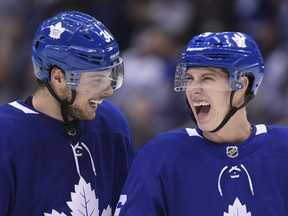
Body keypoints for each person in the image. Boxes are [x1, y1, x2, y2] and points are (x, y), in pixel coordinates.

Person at [114, 32, 288, 215]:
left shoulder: (282, 149)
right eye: (190, 79)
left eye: (207, 78)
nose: (193, 89)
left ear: (241, 85)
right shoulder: (159, 156)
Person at [0, 11, 134, 215]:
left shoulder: (111, 122)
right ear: (58, 78)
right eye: (97, 80)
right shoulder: (6, 134)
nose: (108, 91)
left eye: (110, 77)